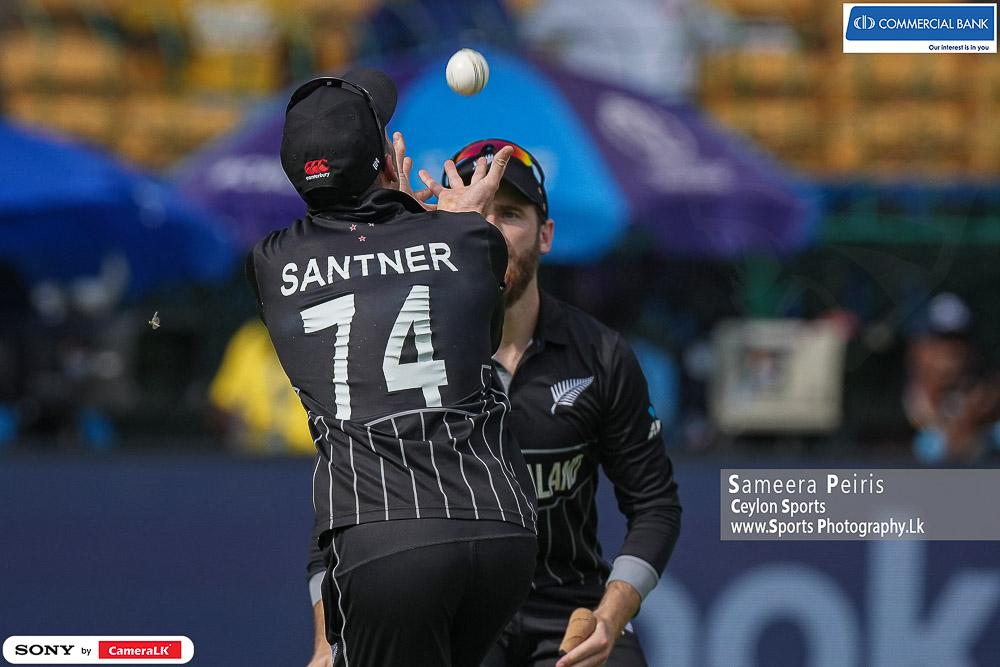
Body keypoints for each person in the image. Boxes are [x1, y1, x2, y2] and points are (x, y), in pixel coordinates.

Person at [307, 138, 682, 667]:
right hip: (452, 613)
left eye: (509, 214)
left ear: (545, 235)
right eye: (475, 213)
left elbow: (654, 504)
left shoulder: (601, 355)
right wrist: (327, 643)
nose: (489, 231)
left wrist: (610, 615)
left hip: (565, 608)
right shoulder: (398, 357)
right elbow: (340, 515)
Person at [248, 70, 538, 667]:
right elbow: (480, 339)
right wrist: (448, 218)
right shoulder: (466, 240)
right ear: (386, 160)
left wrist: (404, 212)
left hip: (386, 536)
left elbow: (359, 251)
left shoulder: (271, 262)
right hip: (501, 528)